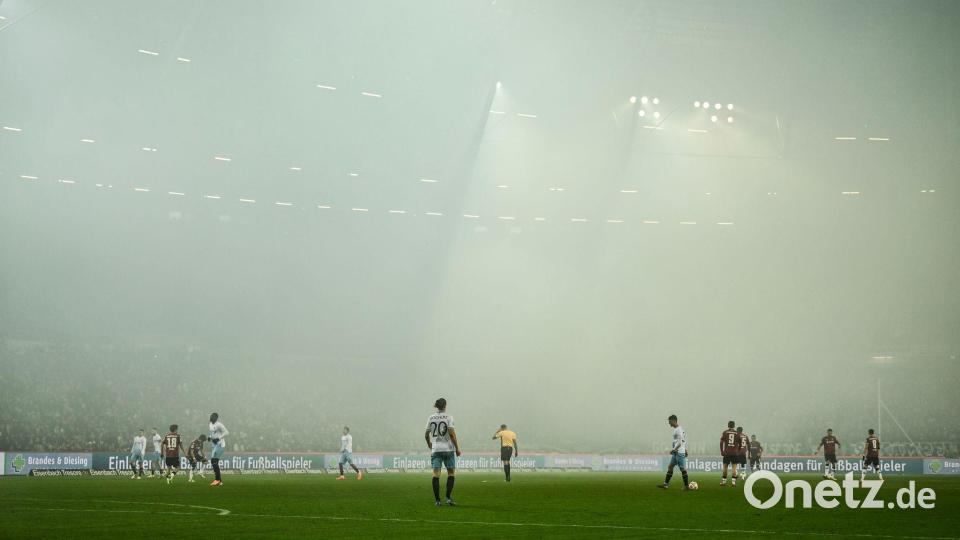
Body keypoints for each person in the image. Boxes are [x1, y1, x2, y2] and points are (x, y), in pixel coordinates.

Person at [425, 398, 461, 506]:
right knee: (451, 473)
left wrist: (429, 445)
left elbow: (426, 435)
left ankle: (437, 501)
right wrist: (457, 448)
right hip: (448, 449)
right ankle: (448, 498)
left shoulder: (431, 417)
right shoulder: (449, 417)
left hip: (436, 449)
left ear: (437, 406)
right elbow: (452, 434)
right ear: (445, 405)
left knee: (436, 475)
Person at [658, 414, 691, 490]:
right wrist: (685, 449)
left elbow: (680, 442)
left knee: (682, 469)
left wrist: (674, 449)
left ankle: (686, 486)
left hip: (679, 452)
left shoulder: (678, 430)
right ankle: (665, 484)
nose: (669, 423)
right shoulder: (679, 429)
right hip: (676, 452)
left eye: (670, 422)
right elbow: (683, 440)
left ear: (674, 421)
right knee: (670, 466)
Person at [209, 412, 229, 486]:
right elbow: (212, 433)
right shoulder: (210, 424)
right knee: (215, 462)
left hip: (220, 444)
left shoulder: (219, 425)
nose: (211, 418)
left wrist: (218, 438)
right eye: (210, 416)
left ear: (216, 418)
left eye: (212, 417)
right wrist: (210, 437)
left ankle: (217, 480)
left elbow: (226, 432)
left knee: (213, 460)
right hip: (214, 445)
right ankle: (219, 481)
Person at [720, 420, 740, 486]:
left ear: (728, 425)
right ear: (734, 426)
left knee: (725, 467)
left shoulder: (725, 432)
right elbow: (740, 444)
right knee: (734, 467)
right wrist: (738, 451)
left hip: (727, 453)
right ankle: (733, 483)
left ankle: (724, 482)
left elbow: (721, 442)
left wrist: (722, 451)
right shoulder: (737, 433)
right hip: (734, 453)